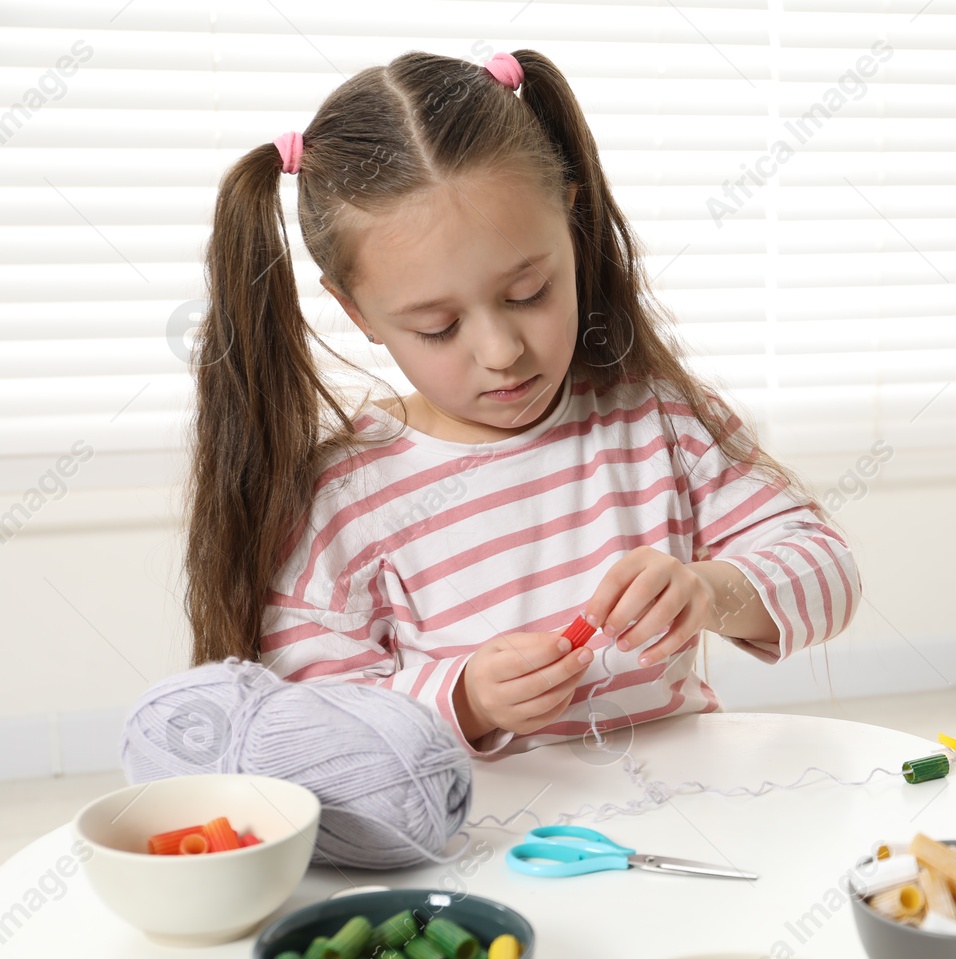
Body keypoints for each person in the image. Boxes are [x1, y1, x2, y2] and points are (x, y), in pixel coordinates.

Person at [182, 49, 860, 757]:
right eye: (438, 327)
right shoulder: (345, 499)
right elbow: (313, 726)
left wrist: (711, 590)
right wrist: (465, 698)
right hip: (480, 849)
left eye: (528, 293)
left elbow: (827, 567)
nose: (502, 350)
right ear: (358, 314)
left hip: (684, 819)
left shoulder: (658, 420)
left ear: (570, 227)